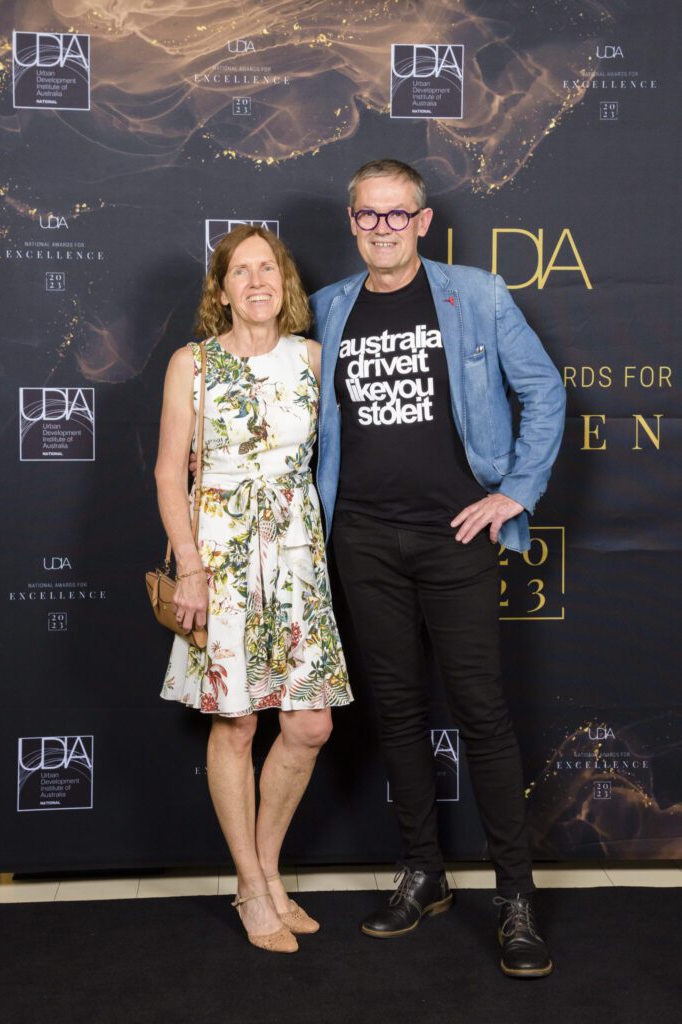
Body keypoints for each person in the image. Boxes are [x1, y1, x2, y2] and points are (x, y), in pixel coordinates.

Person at [311, 159, 565, 978]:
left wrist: (515, 492)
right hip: (362, 540)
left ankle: (515, 897)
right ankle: (424, 872)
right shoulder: (326, 308)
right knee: (396, 711)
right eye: (368, 214)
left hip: (455, 539)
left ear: (422, 222)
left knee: (481, 713)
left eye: (398, 215)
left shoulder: (477, 295)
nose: (382, 228)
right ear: (352, 221)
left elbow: (544, 391)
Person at [155, 224, 353, 955]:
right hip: (222, 561)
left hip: (298, 560)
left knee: (309, 725)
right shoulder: (193, 364)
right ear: (222, 289)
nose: (257, 281)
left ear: (285, 282)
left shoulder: (313, 358)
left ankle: (266, 872)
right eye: (241, 271)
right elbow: (168, 472)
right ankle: (250, 886)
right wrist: (190, 567)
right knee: (235, 724)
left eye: (267, 268)